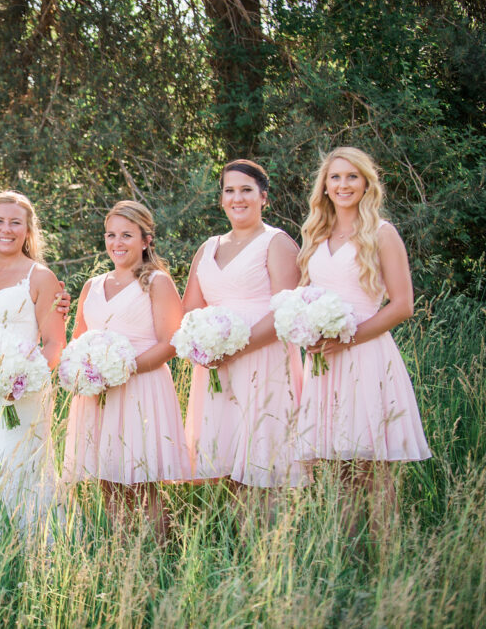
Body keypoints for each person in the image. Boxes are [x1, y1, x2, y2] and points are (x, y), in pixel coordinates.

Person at [296, 147, 430, 538]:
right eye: (335, 177)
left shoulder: (381, 233)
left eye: (352, 177)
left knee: (372, 467)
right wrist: (308, 328)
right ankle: (349, 563)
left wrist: (348, 337)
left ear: (367, 183)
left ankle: (388, 561)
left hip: (366, 355)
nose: (343, 185)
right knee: (335, 467)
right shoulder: (315, 234)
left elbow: (402, 305)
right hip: (324, 362)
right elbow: (304, 296)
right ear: (324, 185)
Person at [182, 160, 309, 512]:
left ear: (263, 197)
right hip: (215, 365)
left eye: (246, 190)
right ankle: (244, 554)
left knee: (264, 461)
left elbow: (286, 312)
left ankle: (276, 550)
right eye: (229, 190)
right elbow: (190, 308)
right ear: (221, 199)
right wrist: (202, 343)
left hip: (263, 358)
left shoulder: (277, 243)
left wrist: (235, 348)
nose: (237, 198)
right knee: (231, 461)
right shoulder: (208, 248)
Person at [62, 200, 188, 539]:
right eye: (111, 235)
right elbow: (78, 339)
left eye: (127, 235)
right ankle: (124, 558)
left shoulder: (156, 282)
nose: (117, 243)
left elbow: (171, 342)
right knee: (108, 480)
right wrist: (84, 371)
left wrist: (123, 369)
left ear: (146, 240)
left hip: (140, 388)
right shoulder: (92, 285)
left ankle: (162, 559)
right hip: (97, 394)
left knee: (141, 483)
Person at [0, 191, 66, 530]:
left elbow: (54, 344)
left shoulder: (40, 277)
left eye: (15, 223)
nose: (6, 229)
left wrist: (21, 381)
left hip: (23, 396)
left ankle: (32, 551)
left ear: (28, 230)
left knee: (18, 467)